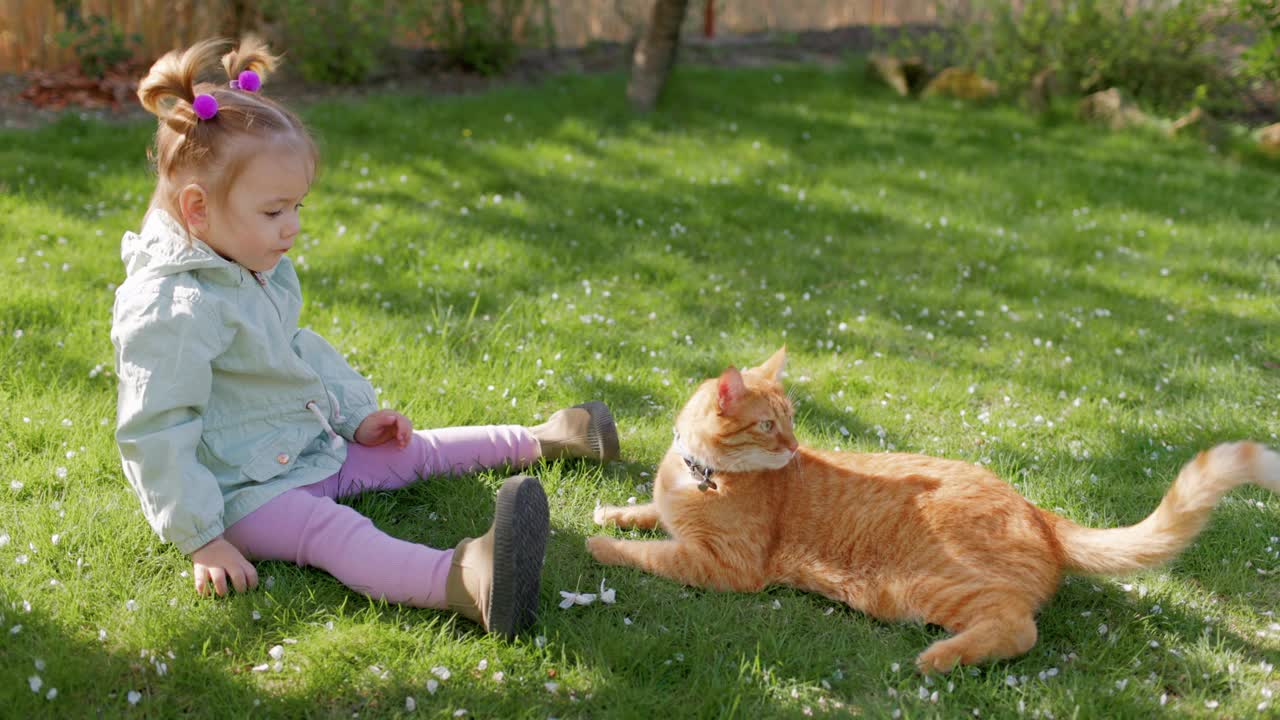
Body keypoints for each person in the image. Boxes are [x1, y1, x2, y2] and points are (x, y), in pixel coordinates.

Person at [110, 37, 619, 639]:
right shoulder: (171, 310)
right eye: (275, 212)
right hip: (241, 494)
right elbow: (157, 431)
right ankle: (465, 581)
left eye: (298, 206)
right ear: (197, 209)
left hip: (298, 446)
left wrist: (356, 418)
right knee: (333, 533)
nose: (293, 228)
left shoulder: (245, 257)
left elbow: (297, 350)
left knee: (409, 450)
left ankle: (545, 438)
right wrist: (202, 538)